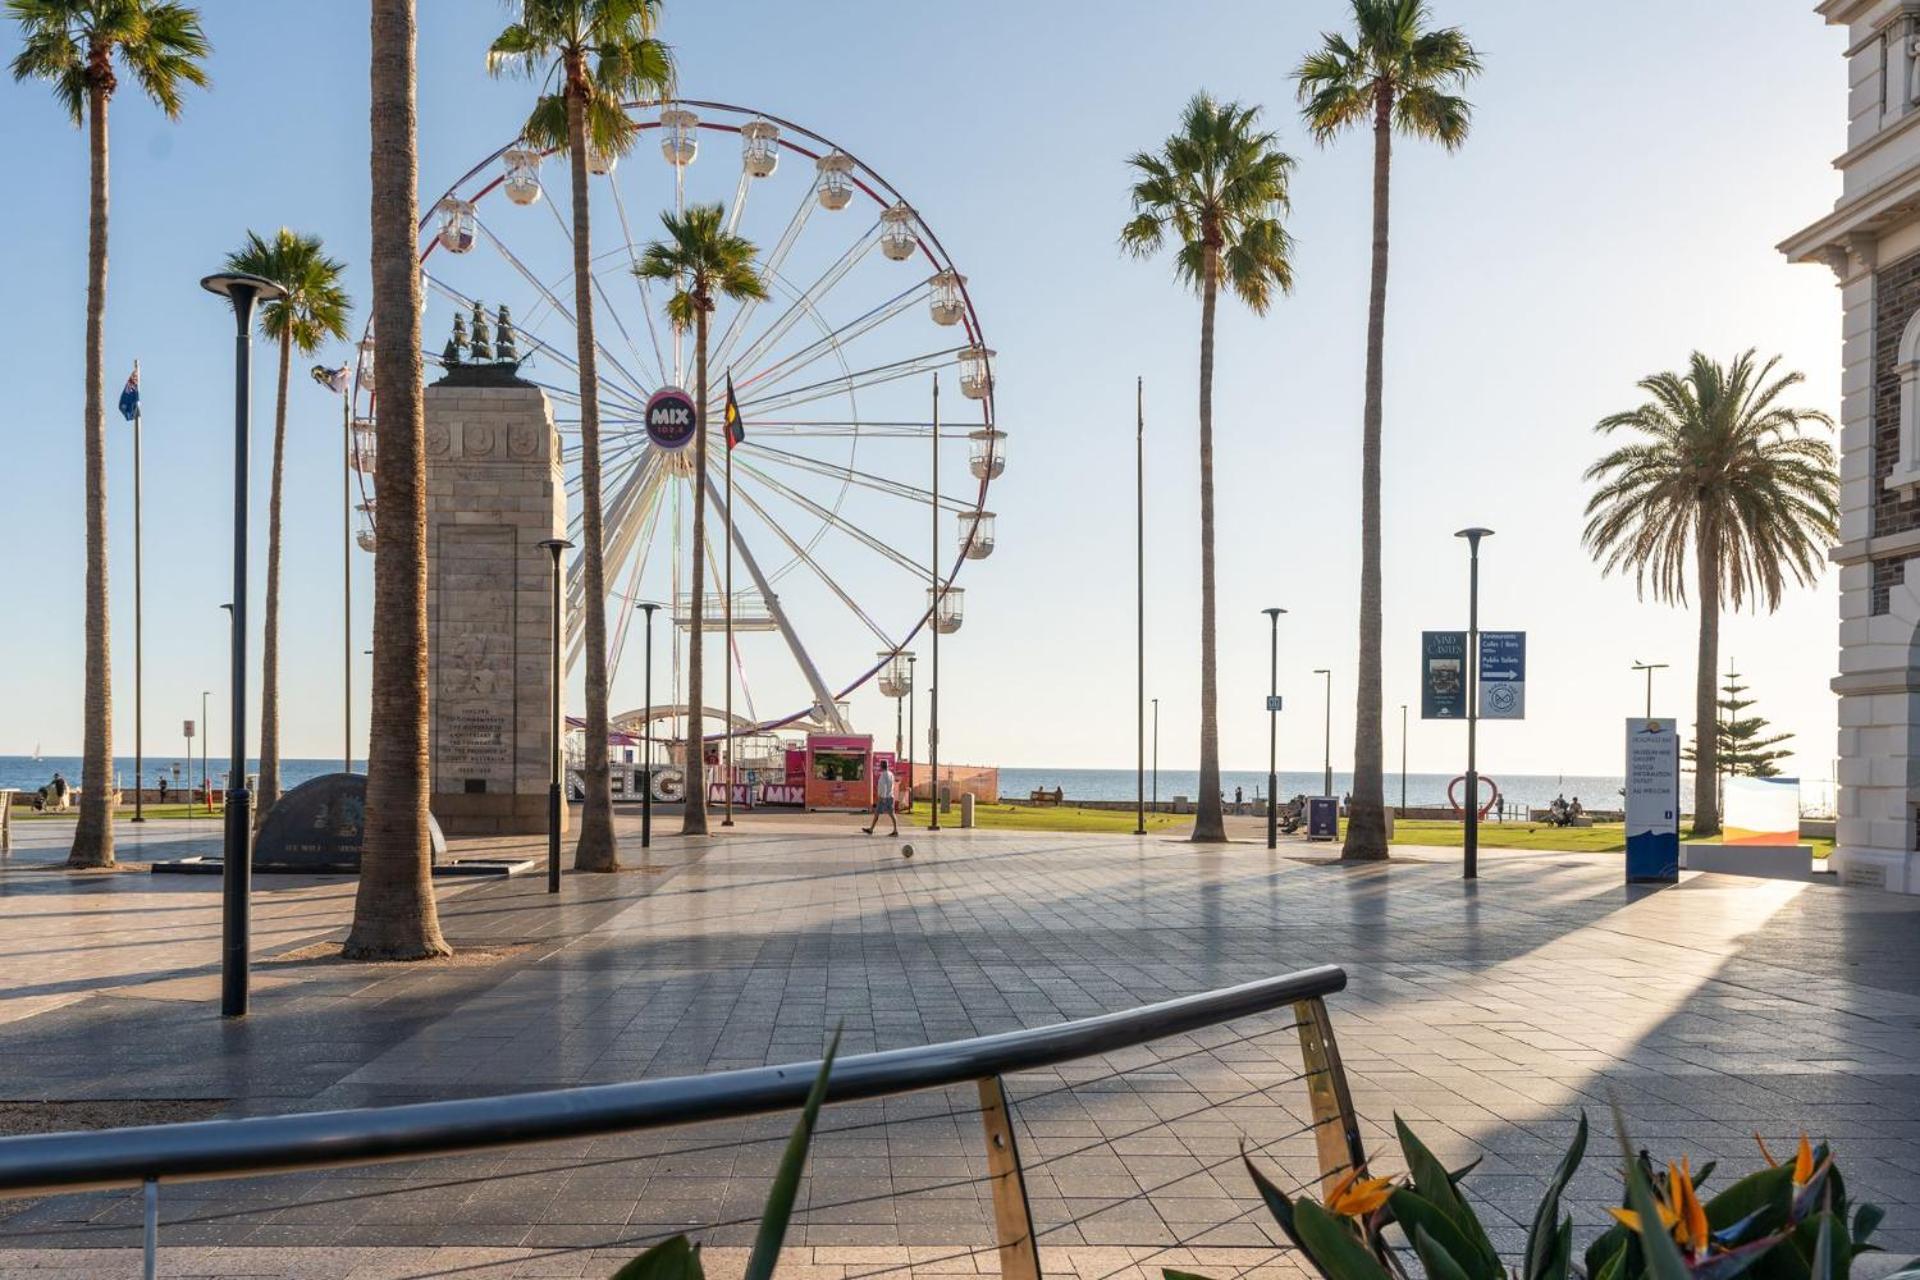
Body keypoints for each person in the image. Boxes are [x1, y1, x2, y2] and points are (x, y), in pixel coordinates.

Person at [864, 760, 899, 837]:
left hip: (884, 797)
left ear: (881, 766)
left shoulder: (883, 775)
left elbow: (884, 787)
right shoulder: (891, 774)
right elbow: (891, 785)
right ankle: (871, 829)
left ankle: (895, 831)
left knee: (889, 813)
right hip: (890, 796)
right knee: (883, 813)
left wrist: (881, 797)